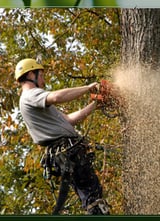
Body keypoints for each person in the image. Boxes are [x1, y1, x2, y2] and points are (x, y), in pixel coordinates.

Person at [14, 58, 110, 215]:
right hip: (67, 151)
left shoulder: (35, 101)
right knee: (93, 200)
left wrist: (96, 104)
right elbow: (57, 97)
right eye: (42, 75)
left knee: (92, 196)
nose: (43, 80)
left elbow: (69, 120)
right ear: (32, 74)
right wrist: (87, 88)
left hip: (67, 152)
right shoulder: (30, 95)